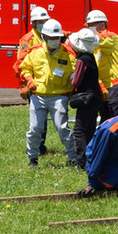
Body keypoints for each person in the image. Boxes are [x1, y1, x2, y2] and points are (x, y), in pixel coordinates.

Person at [19, 19, 77, 167]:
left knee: (62, 127)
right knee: (35, 128)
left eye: (56, 38)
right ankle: (32, 158)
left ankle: (72, 158)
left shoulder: (68, 54)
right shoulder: (35, 51)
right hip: (38, 96)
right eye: (50, 38)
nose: (53, 41)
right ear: (44, 37)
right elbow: (25, 67)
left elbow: (76, 73)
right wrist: (29, 79)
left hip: (59, 97)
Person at [13, 6, 51, 155]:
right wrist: (24, 84)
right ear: (34, 24)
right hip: (33, 84)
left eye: (45, 21)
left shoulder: (46, 36)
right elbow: (20, 64)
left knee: (44, 117)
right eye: (40, 21)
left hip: (46, 83)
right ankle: (39, 148)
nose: (43, 24)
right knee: (38, 119)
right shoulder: (28, 39)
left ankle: (40, 146)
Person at [86, 9, 118, 120]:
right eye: (88, 25)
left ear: (102, 25)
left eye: (92, 25)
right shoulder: (95, 46)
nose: (89, 28)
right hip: (105, 88)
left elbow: (96, 39)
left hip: (116, 85)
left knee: (116, 120)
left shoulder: (112, 37)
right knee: (106, 119)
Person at [69, 28, 102, 169]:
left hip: (86, 99)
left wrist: (70, 76)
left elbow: (76, 82)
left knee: (80, 131)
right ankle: (91, 159)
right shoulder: (92, 58)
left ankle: (81, 162)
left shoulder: (82, 59)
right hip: (95, 98)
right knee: (90, 130)